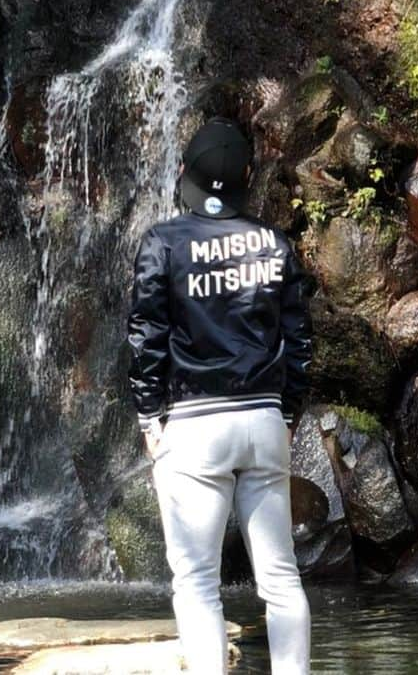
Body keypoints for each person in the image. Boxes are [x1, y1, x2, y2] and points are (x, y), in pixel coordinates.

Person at [127, 116, 313, 675]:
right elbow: (299, 339)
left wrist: (147, 416)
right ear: (247, 177)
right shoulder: (274, 244)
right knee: (280, 579)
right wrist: (290, 413)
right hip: (261, 421)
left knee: (197, 580)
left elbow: (146, 336)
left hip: (194, 425)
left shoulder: (164, 242)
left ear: (184, 172)